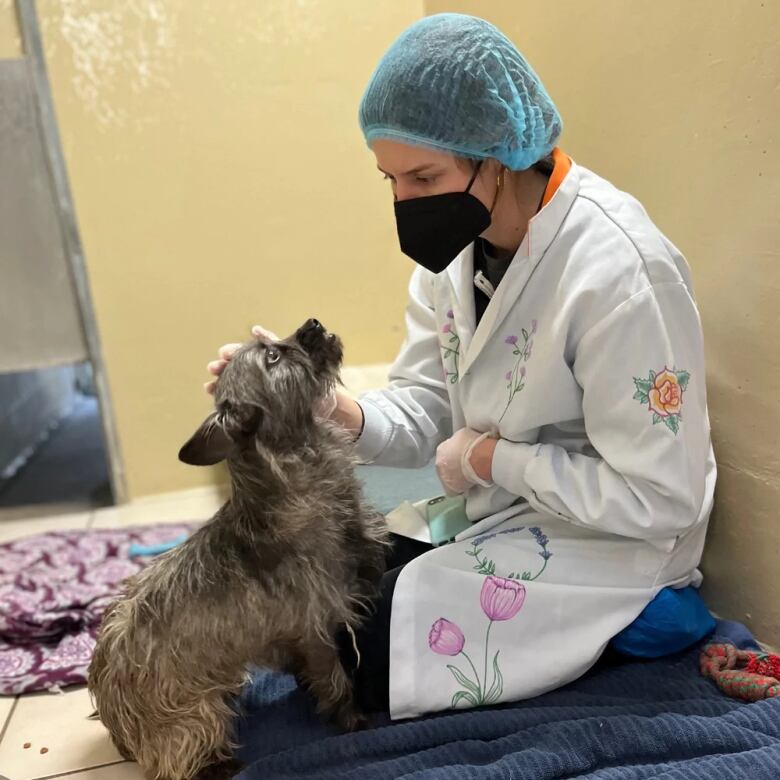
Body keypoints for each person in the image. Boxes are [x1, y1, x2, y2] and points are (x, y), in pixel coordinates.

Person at [205, 13, 716, 721]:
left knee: (364, 654)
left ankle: (646, 615)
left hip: (616, 536)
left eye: (424, 176)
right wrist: (336, 409)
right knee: (332, 593)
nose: (405, 204)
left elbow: (662, 498)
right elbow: (426, 405)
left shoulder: (620, 274)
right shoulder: (455, 257)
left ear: (497, 155)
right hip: (508, 507)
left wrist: (492, 459)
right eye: (390, 178)